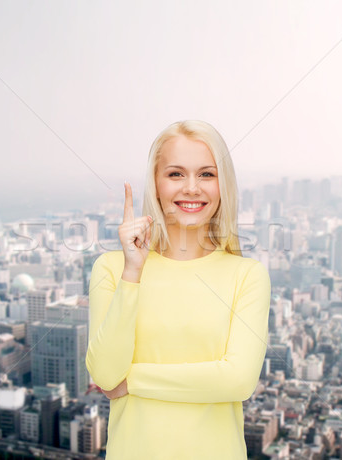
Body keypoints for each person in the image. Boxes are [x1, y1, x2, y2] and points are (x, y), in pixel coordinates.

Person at [86, 120, 271, 459]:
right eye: (175, 174)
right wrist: (133, 271)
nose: (191, 188)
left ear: (223, 186)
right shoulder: (112, 269)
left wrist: (134, 382)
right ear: (155, 185)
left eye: (206, 174)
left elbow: (239, 381)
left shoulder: (247, 275)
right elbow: (106, 376)